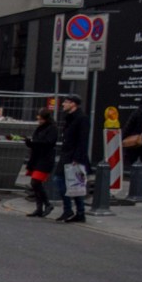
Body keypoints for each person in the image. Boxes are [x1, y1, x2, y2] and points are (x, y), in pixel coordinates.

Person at [57, 94, 91, 223]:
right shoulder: (70, 118)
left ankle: (70, 210)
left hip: (74, 156)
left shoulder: (82, 119)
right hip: (67, 154)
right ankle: (78, 212)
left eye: (66, 102)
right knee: (74, 184)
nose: (63, 104)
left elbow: (83, 139)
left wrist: (77, 157)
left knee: (66, 181)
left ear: (73, 104)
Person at [23, 108, 58, 217]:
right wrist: (29, 143)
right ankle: (39, 208)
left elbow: (49, 142)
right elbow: (37, 143)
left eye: (40, 118)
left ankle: (47, 204)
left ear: (45, 118)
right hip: (37, 158)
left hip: (45, 159)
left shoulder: (52, 128)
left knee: (35, 182)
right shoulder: (40, 128)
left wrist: (34, 142)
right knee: (36, 184)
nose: (38, 119)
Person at [122, 97, 142, 166]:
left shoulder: (136, 113)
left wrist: (123, 138)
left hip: (135, 142)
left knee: (133, 161)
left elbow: (128, 127)